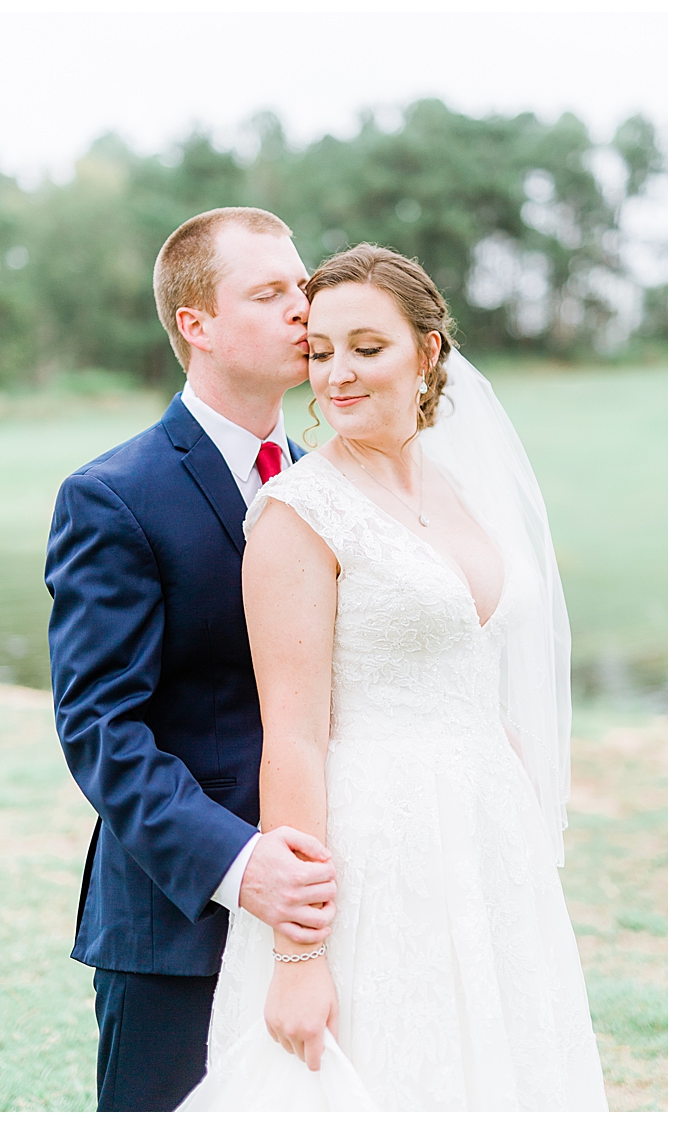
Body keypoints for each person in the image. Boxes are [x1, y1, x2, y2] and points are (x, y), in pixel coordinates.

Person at [180, 245, 606, 1110]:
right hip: (377, 850)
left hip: (487, 846)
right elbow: (293, 735)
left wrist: (518, 822)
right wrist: (300, 957)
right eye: (321, 350)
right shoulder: (299, 511)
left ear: (428, 353)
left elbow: (474, 671)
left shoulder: (464, 488)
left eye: (366, 347)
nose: (336, 374)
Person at [45, 207, 339, 1112]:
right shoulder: (114, 496)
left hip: (322, 911)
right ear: (197, 325)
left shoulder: (328, 483)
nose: (305, 308)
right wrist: (239, 865)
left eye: (303, 286)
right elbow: (101, 729)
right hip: (178, 927)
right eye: (270, 292)